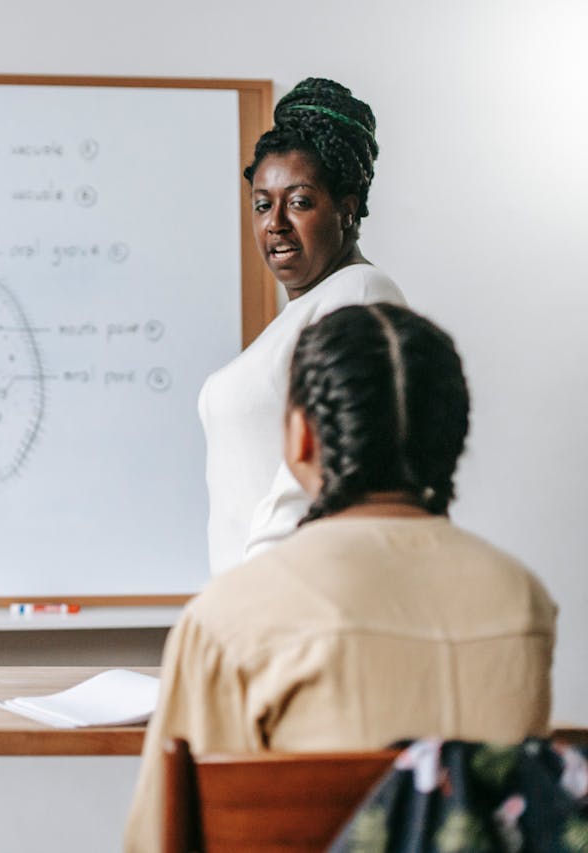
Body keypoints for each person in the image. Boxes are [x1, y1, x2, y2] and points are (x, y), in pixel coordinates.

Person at [125, 304, 557, 853]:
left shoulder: (227, 617)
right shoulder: (521, 601)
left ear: (301, 439)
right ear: (452, 438)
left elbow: (156, 838)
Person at [201, 77, 406, 575]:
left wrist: (257, 600)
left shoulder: (358, 297)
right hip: (260, 604)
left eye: (298, 201)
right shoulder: (306, 312)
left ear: (346, 208)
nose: (275, 223)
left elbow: (323, 472)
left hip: (287, 601)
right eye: (262, 204)